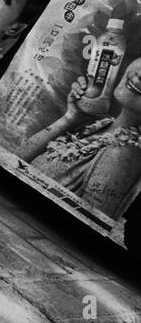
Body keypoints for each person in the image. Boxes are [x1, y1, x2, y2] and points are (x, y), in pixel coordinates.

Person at [16, 57, 141, 220]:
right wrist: (70, 117)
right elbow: (11, 162)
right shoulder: (103, 127)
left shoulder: (122, 152)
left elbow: (87, 225)